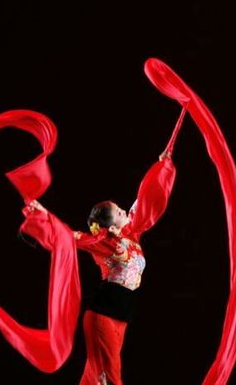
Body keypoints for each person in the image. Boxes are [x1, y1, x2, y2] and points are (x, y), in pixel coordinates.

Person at [26, 149, 175, 385]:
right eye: (118, 212)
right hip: (102, 316)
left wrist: (161, 166)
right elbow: (68, 236)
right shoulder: (101, 242)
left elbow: (145, 199)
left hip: (121, 318)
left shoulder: (132, 232)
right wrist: (44, 214)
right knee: (112, 378)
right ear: (110, 223)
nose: (124, 211)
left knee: (96, 379)